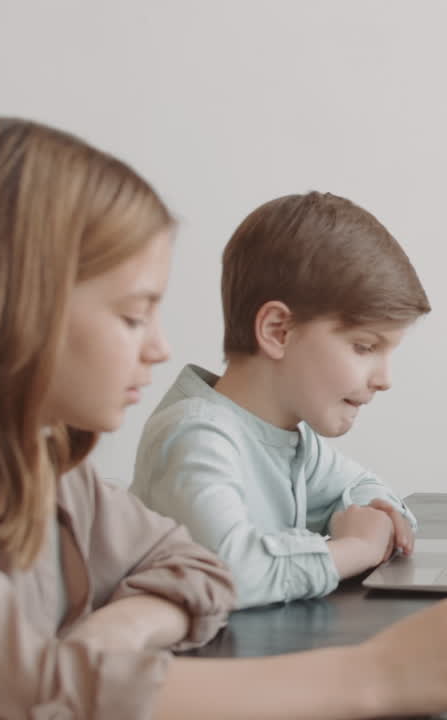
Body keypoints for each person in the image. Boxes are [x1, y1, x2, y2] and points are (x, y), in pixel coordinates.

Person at [0, 117, 447, 718]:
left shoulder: (50, 470)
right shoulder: (195, 431)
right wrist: (368, 676)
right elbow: (20, 690)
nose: (160, 348)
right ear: (15, 307)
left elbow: (195, 566)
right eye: (134, 316)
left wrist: (108, 639)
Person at [132, 191, 425, 609]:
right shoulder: (195, 435)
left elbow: (366, 488)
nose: (385, 379)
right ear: (278, 332)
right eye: (364, 347)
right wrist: (357, 548)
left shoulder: (288, 440)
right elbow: (232, 574)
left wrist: (363, 517)